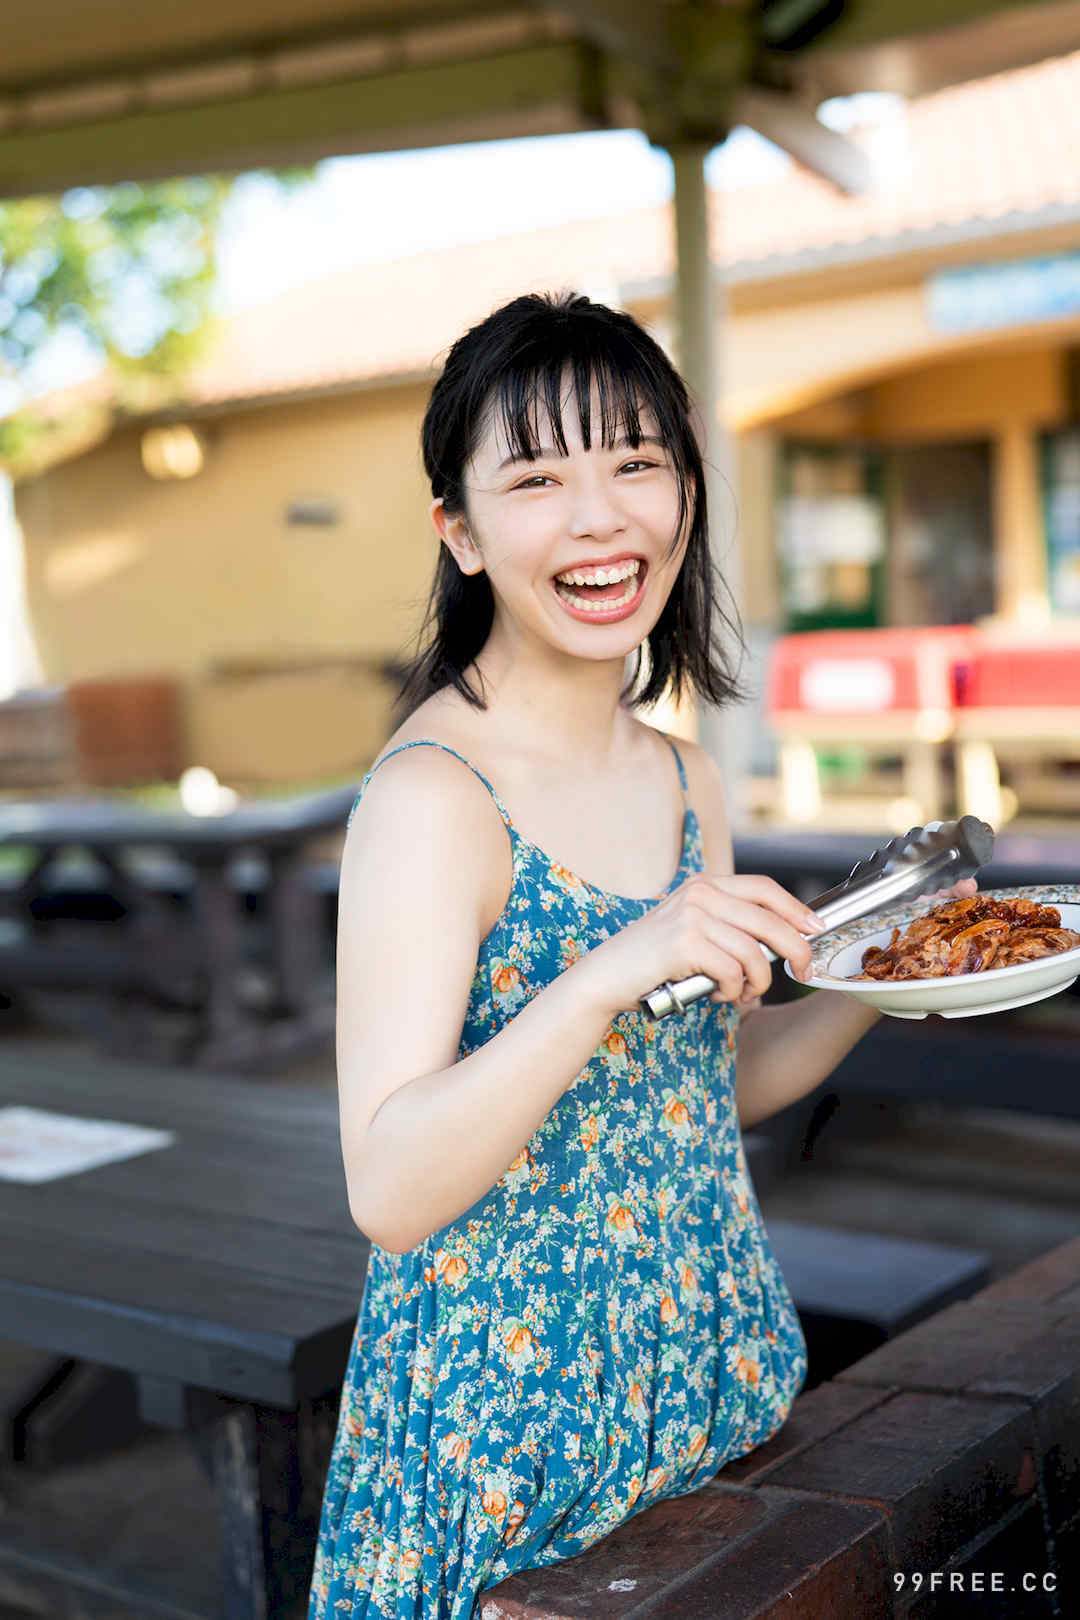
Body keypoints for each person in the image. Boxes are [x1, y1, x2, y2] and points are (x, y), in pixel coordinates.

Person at [309, 291, 976, 1620]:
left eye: (635, 462)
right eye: (538, 478)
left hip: (712, 1393)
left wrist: (883, 973)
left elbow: (700, 1090)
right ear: (461, 531)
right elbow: (389, 1189)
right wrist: (611, 971)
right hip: (508, 1461)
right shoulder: (434, 797)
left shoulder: (682, 778)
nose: (600, 516)